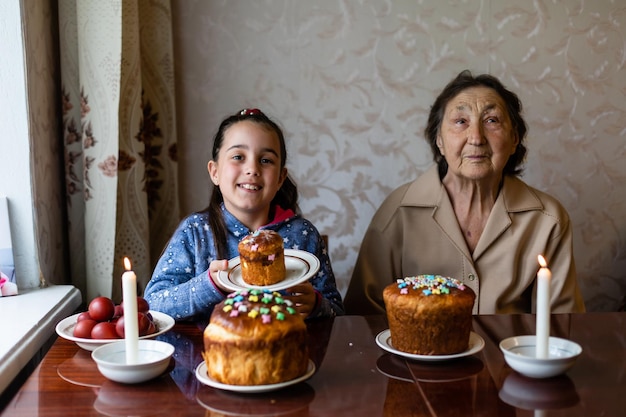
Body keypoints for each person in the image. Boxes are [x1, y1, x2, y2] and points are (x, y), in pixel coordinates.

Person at [344, 70, 585, 315]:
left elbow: (562, 326)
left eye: (492, 120)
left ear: (514, 139)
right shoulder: (398, 212)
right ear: (439, 139)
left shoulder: (548, 220)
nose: (476, 138)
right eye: (461, 121)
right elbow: (361, 319)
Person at [144, 108, 344, 321]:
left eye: (266, 160)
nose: (252, 169)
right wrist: (210, 285)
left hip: (286, 351)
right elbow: (154, 305)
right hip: (212, 352)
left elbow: (339, 313)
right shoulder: (194, 232)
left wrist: (316, 305)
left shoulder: (303, 235)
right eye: (238, 157)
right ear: (215, 172)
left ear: (280, 178)